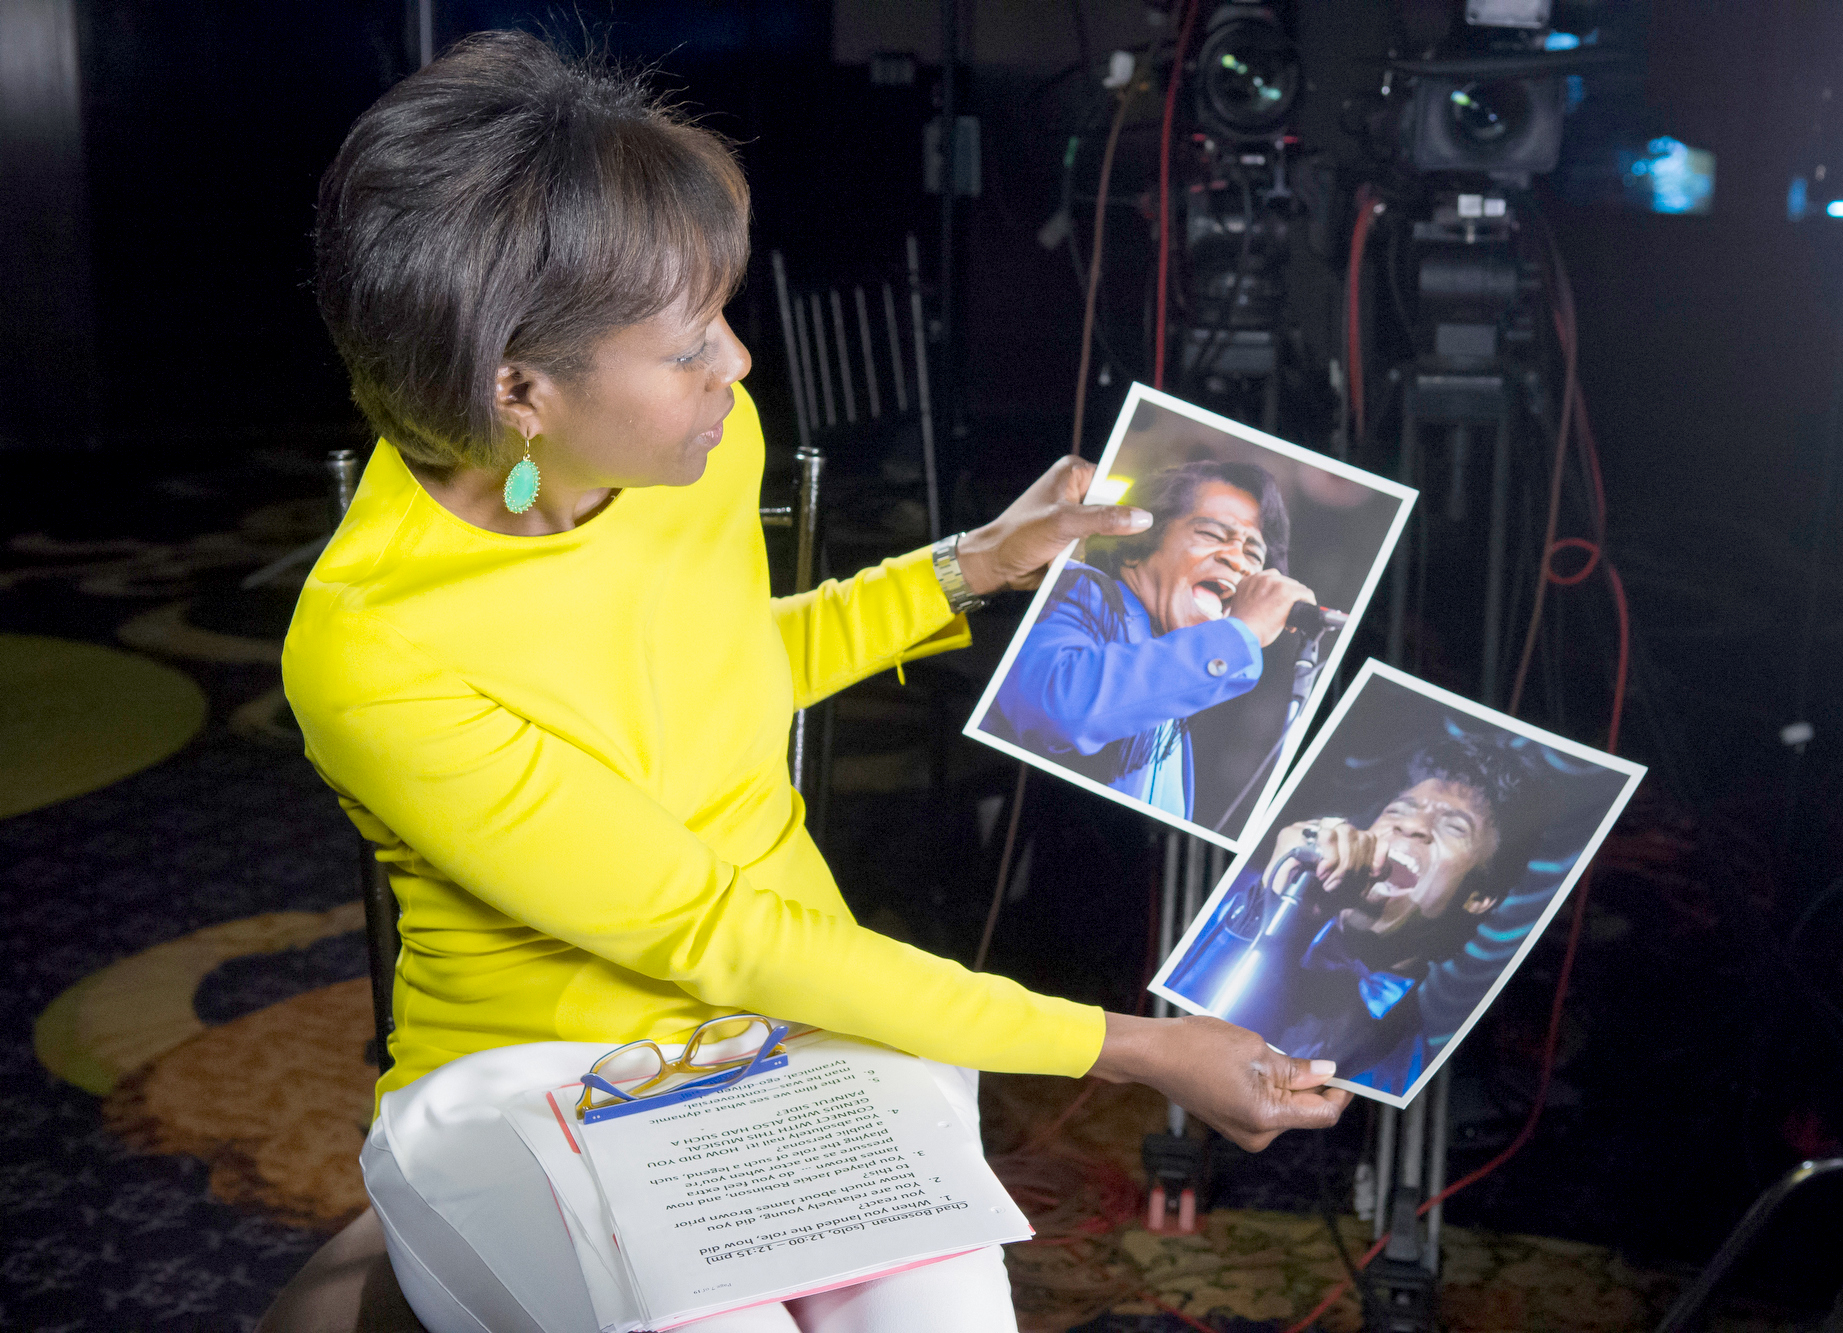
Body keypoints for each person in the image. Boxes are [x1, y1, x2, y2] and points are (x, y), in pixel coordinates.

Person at [263, 32, 1351, 1333]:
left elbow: (712, 673)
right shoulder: (374, 643)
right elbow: (711, 935)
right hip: (539, 1077)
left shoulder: (697, 454)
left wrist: (975, 565)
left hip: (795, 1028)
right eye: (684, 346)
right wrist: (1132, 1048)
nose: (737, 364)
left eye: (722, 313)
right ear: (520, 391)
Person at [1185, 733, 1533, 1094]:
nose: (1410, 826)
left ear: (1479, 897)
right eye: (1398, 810)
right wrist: (1278, 911)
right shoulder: (1238, 899)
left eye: (1454, 827)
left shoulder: (1406, 1068)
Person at [984, 460, 1321, 820]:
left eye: (1254, 554)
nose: (1238, 560)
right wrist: (1241, 635)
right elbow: (1058, 707)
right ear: (1135, 547)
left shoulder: (1170, 704)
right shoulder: (1077, 586)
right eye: (1211, 534)